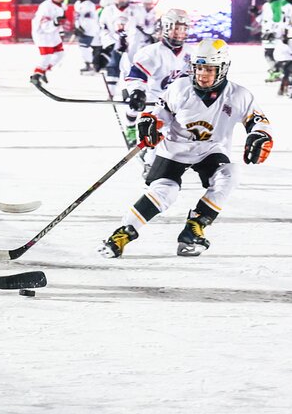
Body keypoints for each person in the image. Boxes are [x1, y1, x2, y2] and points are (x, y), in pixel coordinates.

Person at [98, 39, 272, 259]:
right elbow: (159, 113)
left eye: (209, 69)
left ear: (223, 68)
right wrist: (150, 122)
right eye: (199, 68)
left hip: (211, 150)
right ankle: (122, 234)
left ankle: (194, 227)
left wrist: (260, 135)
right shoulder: (180, 88)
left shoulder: (238, 95)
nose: (202, 74)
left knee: (230, 174)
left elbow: (258, 121)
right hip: (174, 148)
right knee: (165, 191)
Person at [123, 9, 192, 152]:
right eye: (176, 29)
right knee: (150, 137)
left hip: (176, 102)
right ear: (165, 28)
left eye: (183, 29)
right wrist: (137, 91)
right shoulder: (151, 52)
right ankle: (131, 127)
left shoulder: (192, 52)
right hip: (154, 100)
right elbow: (137, 75)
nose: (179, 33)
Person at [97, 0, 147, 85]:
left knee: (133, 70)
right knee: (112, 68)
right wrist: (109, 44)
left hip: (133, 46)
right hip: (114, 45)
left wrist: (139, 44)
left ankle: (131, 91)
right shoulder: (108, 10)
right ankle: (112, 91)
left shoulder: (138, 10)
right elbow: (103, 28)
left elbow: (143, 29)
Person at [30, 0, 67, 83]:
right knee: (46, 56)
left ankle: (43, 71)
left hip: (53, 33)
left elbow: (59, 21)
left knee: (60, 54)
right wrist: (55, 23)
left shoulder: (62, 6)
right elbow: (44, 25)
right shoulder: (46, 7)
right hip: (42, 35)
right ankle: (36, 75)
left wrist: (60, 30)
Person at [257, 0, 285, 82]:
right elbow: (262, 19)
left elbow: (278, 20)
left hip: (274, 34)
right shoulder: (267, 5)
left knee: (273, 54)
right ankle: (277, 71)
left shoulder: (277, 4)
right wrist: (256, 13)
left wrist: (273, 32)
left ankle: (277, 72)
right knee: (269, 54)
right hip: (267, 33)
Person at [72, 0, 100, 74]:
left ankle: (90, 65)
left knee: (84, 47)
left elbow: (89, 19)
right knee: (83, 47)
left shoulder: (89, 5)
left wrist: (82, 28)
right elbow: (78, 18)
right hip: (82, 30)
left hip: (89, 31)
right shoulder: (77, 4)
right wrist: (77, 27)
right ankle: (90, 64)